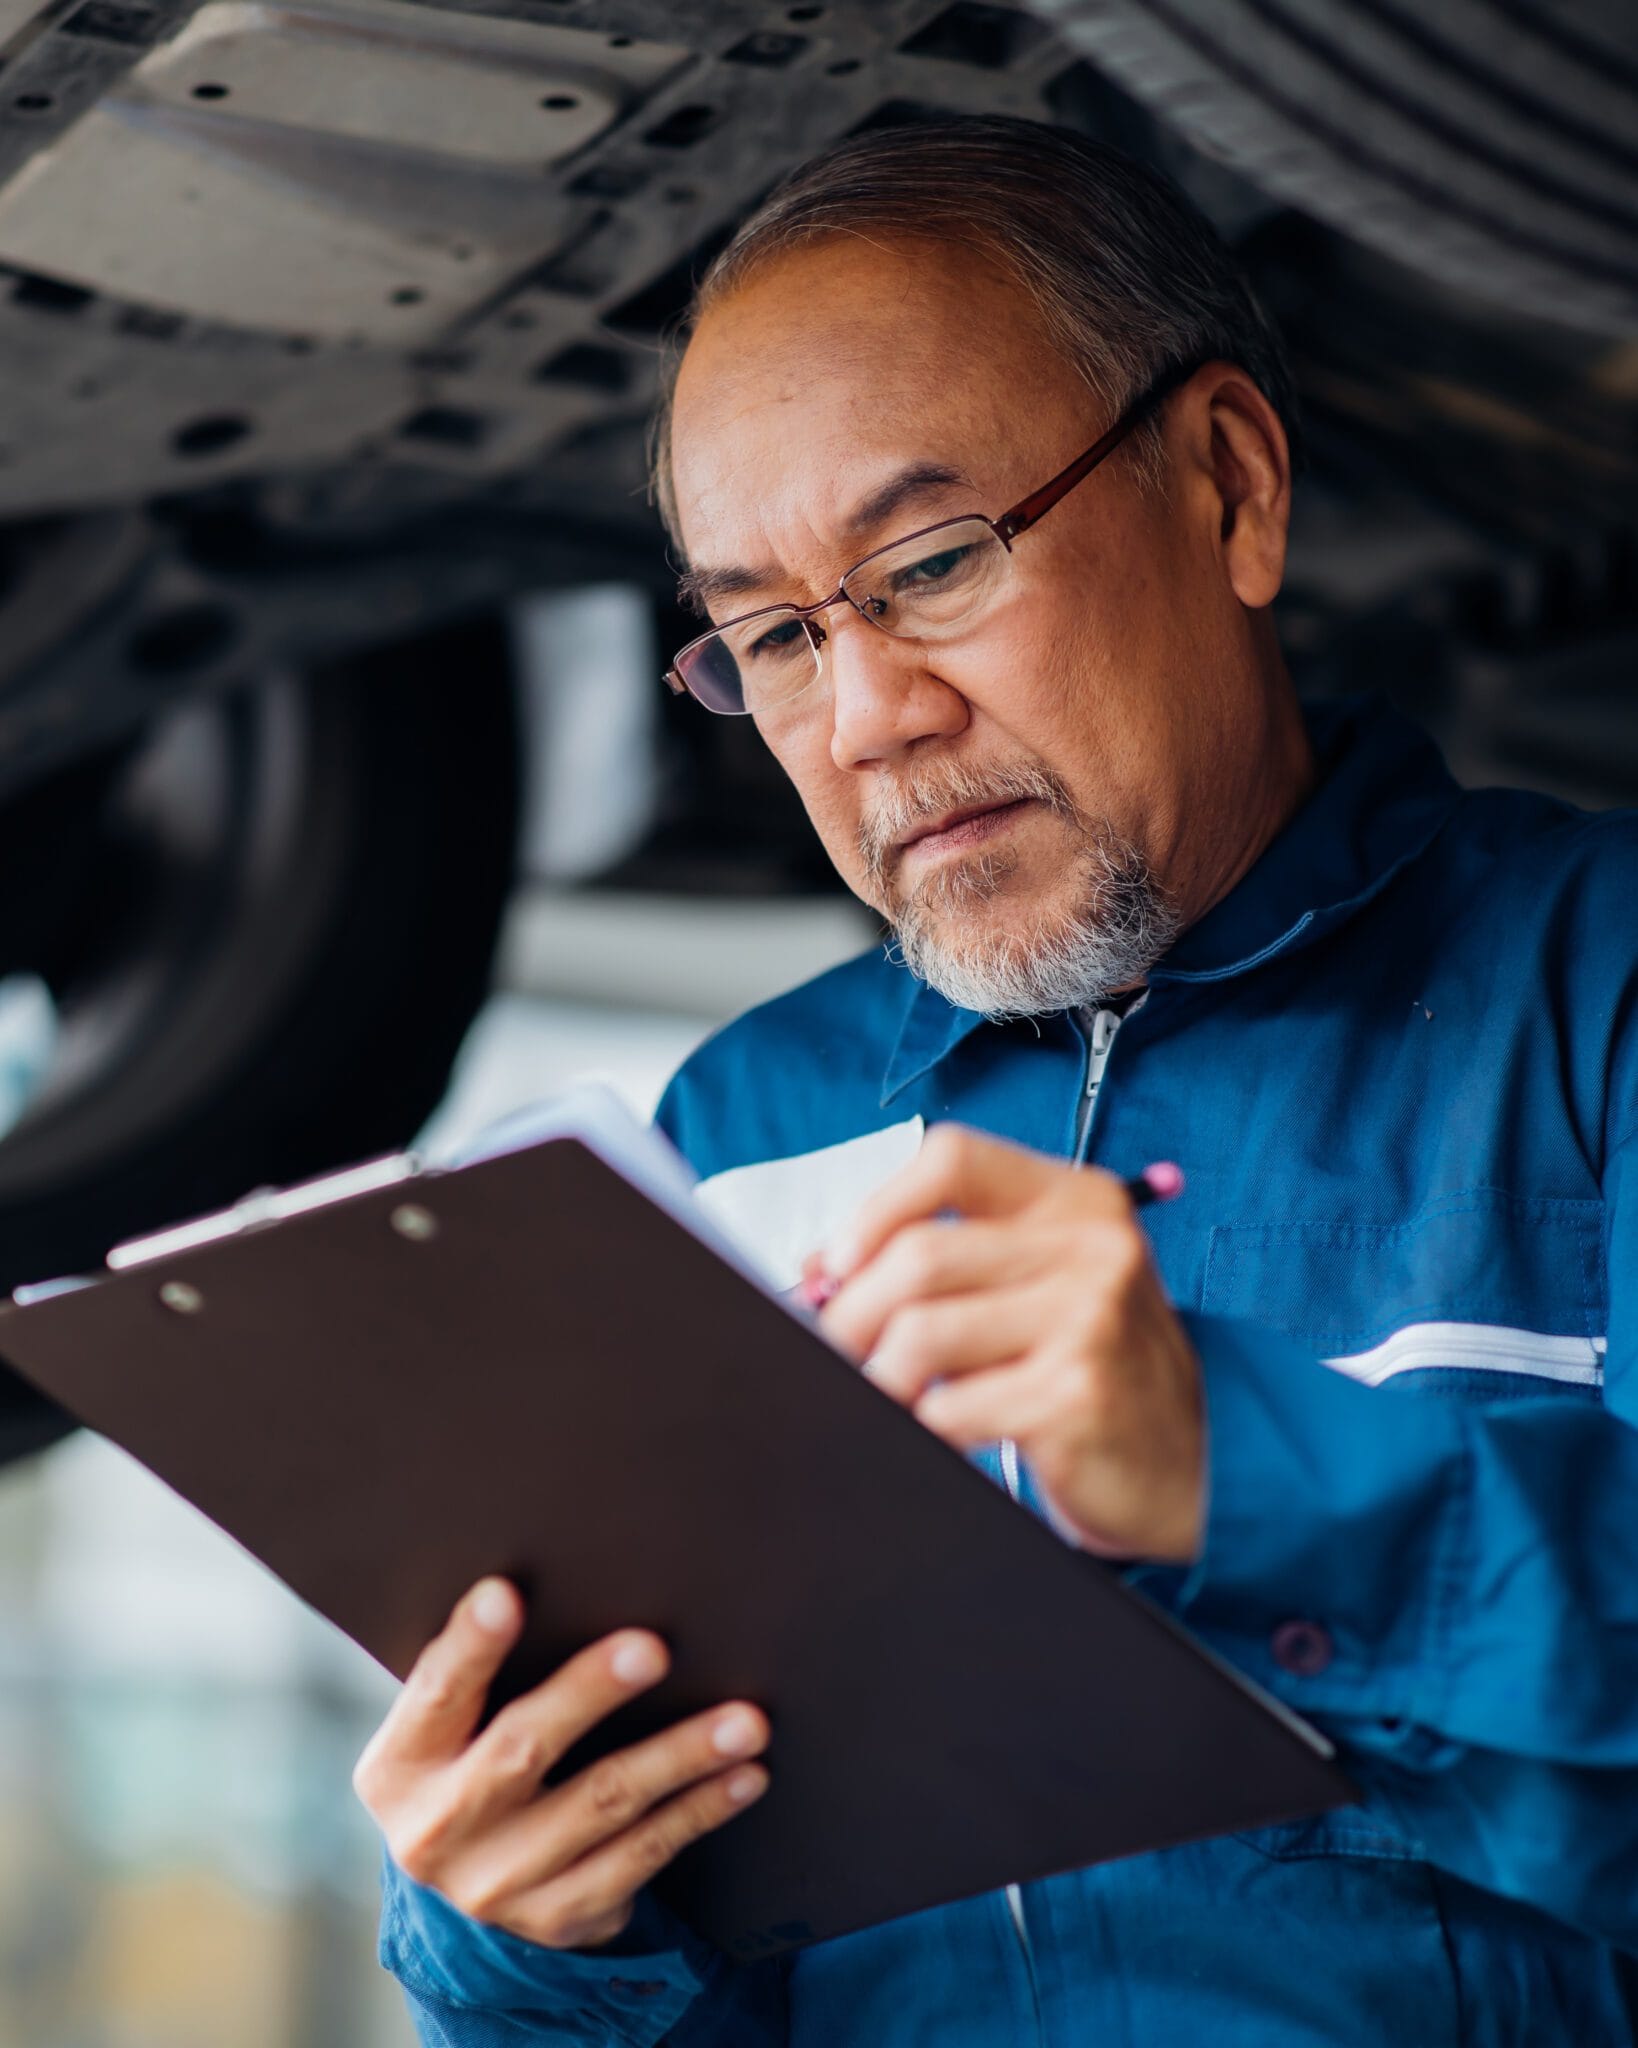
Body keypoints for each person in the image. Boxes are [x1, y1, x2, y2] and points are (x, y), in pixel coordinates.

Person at [352, 117, 1638, 2044]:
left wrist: (1238, 1471)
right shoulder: (733, 1134)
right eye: (775, 635)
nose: (868, 717)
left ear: (1229, 491)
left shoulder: (1596, 990)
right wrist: (522, 1937)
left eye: (933, 562)